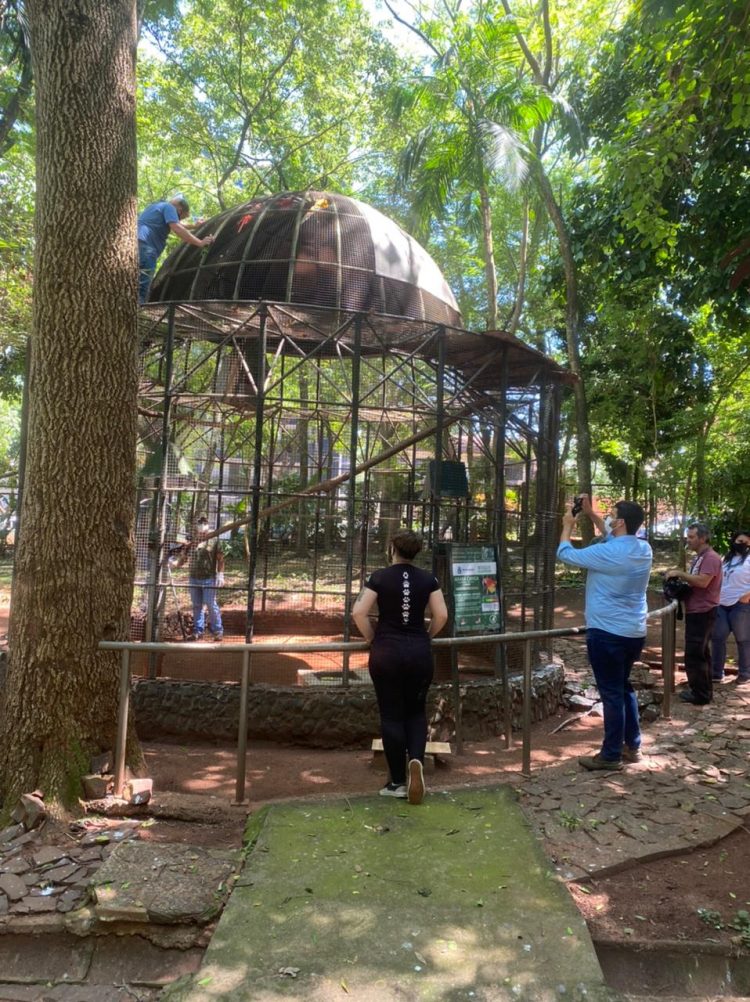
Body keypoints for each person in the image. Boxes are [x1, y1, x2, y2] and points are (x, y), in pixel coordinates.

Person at [352, 529, 448, 804]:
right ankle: (415, 761)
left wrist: (372, 638)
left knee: (392, 716)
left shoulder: (378, 578)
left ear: (392, 547)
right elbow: (441, 615)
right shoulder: (429, 579)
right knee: (416, 713)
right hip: (419, 653)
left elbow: (358, 612)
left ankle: (396, 782)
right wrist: (427, 635)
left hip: (386, 653)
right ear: (416, 551)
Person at [557, 495, 652, 771]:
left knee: (611, 694)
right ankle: (633, 746)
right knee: (623, 688)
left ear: (620, 522)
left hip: (607, 632)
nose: (608, 518)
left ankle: (610, 755)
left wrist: (568, 525)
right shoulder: (643, 549)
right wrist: (591, 514)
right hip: (634, 632)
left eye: (611, 514)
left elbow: (565, 554)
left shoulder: (607, 553)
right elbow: (613, 534)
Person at [665, 523, 722, 705]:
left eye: (691, 537)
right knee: (700, 652)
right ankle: (702, 690)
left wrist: (680, 574)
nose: (688, 540)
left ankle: (700, 694)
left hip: (703, 611)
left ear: (703, 538)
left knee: (695, 653)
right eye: (687, 536)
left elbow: (703, 582)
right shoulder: (700, 557)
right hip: (697, 610)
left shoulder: (711, 558)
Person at [137, 196, 215, 303]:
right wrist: (200, 242)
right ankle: (137, 311)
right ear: (179, 210)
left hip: (138, 244)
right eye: (182, 217)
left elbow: (178, 224)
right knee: (142, 287)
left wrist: (194, 226)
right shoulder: (170, 207)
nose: (179, 220)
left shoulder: (156, 206)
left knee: (132, 281)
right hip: (147, 248)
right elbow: (177, 227)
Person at [172, 516, 225, 640]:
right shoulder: (191, 542)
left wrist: (220, 574)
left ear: (207, 525)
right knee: (197, 605)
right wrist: (175, 563)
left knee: (210, 604)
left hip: (208, 578)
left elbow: (221, 559)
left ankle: (218, 630)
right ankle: (198, 631)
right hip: (194, 578)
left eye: (204, 523)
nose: (201, 525)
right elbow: (184, 558)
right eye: (199, 523)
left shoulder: (214, 540)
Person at [711, 530, 750, 686]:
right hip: (721, 603)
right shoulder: (726, 558)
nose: (744, 545)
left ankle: (745, 673)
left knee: (743, 639)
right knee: (717, 637)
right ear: (734, 541)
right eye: (740, 541)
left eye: (747, 543)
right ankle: (716, 673)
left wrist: (747, 596)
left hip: (741, 605)